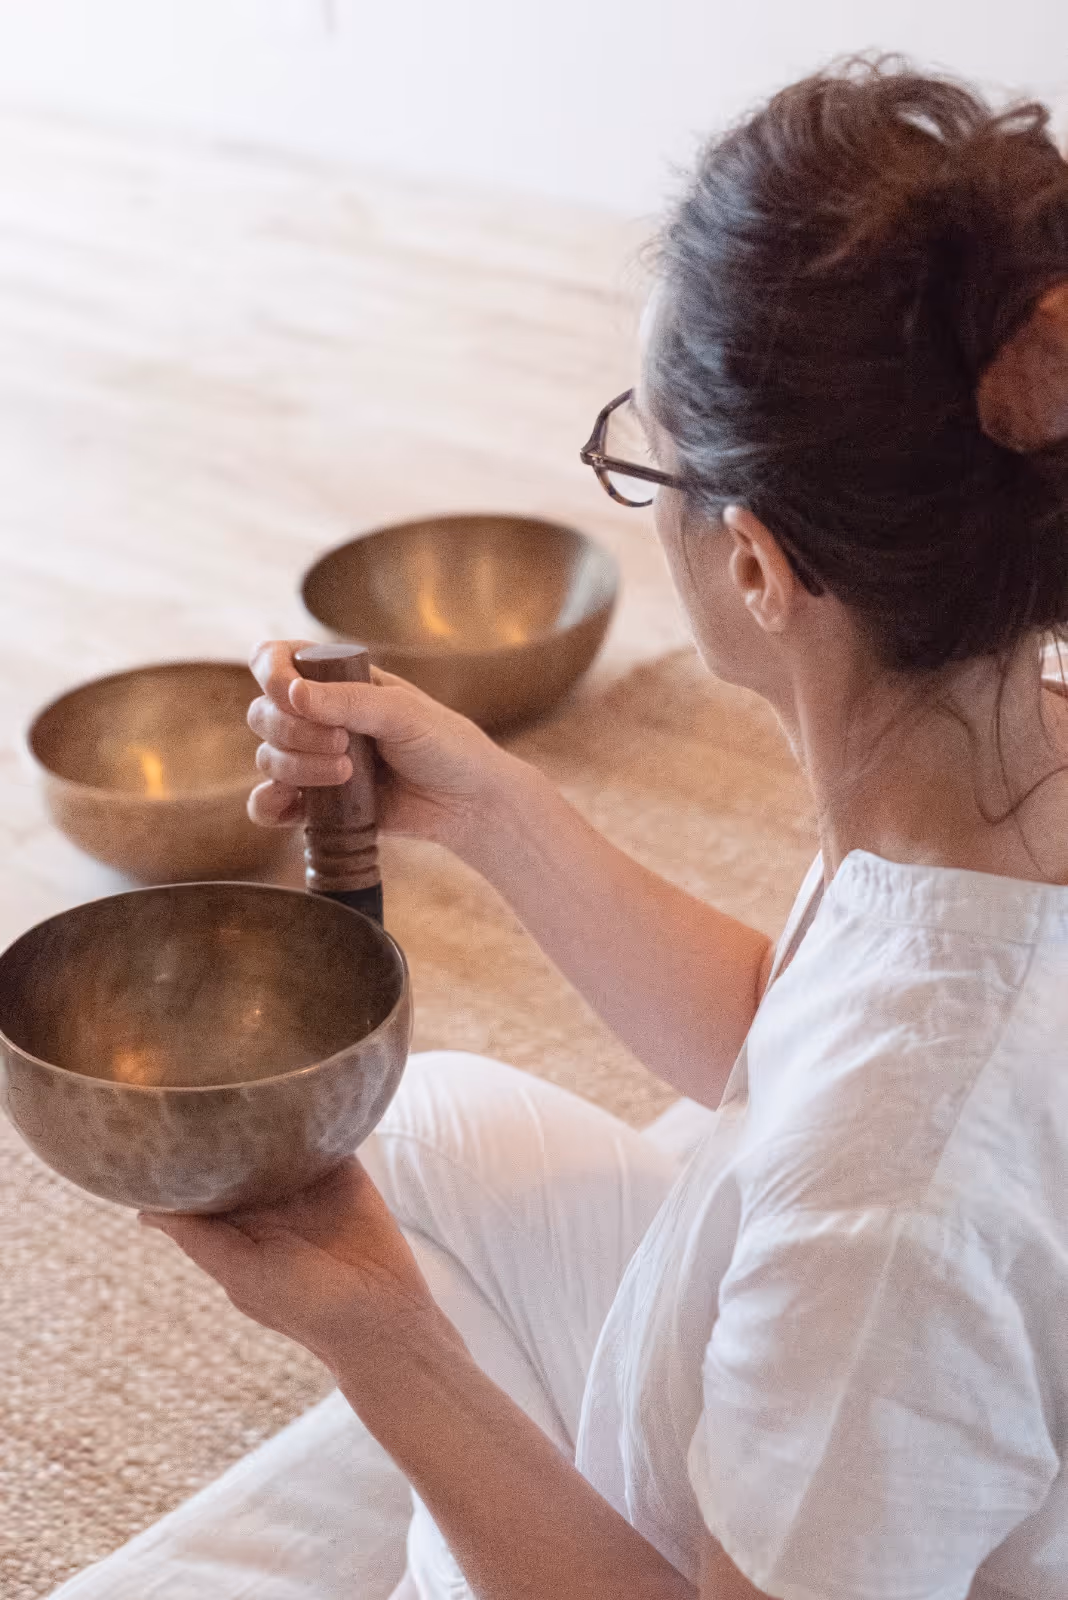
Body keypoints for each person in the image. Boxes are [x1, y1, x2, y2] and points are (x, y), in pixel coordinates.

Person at [140, 60, 1068, 1600]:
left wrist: (377, 1334)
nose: (644, 499)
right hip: (870, 1354)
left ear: (761, 568)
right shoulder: (1000, 758)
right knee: (431, 1127)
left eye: (648, 462)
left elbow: (880, 1129)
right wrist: (492, 807)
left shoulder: (891, 1206)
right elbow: (796, 1036)